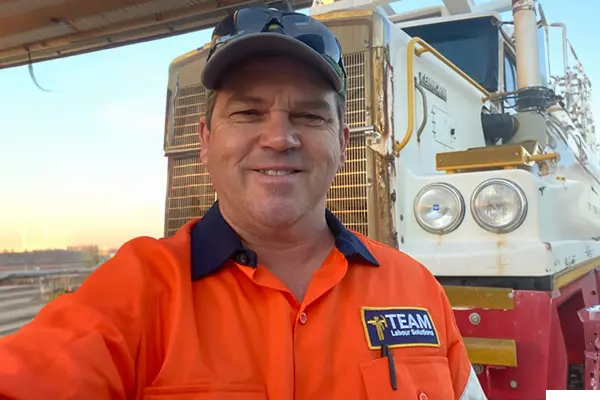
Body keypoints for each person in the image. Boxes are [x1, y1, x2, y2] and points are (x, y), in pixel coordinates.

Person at [0, 7, 487, 400]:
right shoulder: (134, 293)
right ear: (205, 140)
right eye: (248, 112)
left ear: (342, 142)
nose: (279, 137)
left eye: (308, 115)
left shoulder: (417, 289)